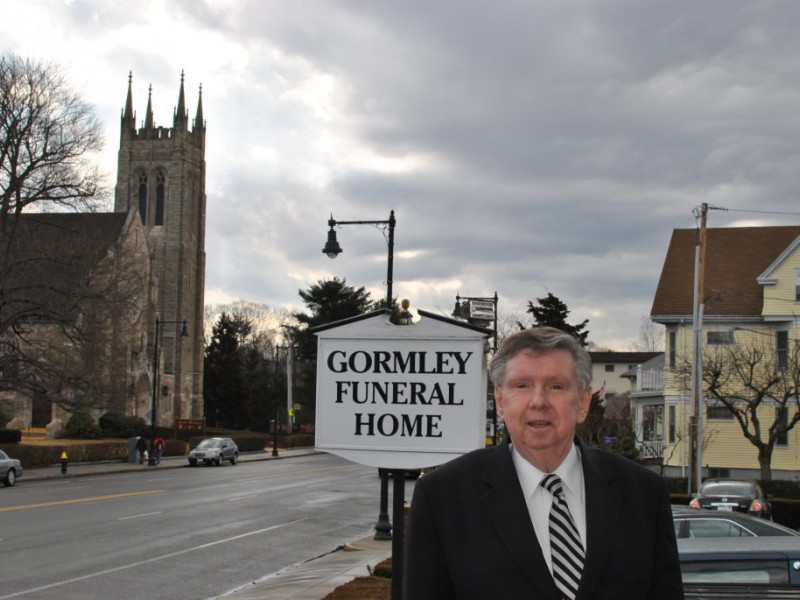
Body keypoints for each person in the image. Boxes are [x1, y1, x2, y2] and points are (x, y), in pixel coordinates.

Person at [404, 327, 684, 599]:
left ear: (583, 402)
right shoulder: (443, 497)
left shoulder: (644, 494)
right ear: (500, 401)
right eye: (522, 386)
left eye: (556, 386)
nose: (538, 401)